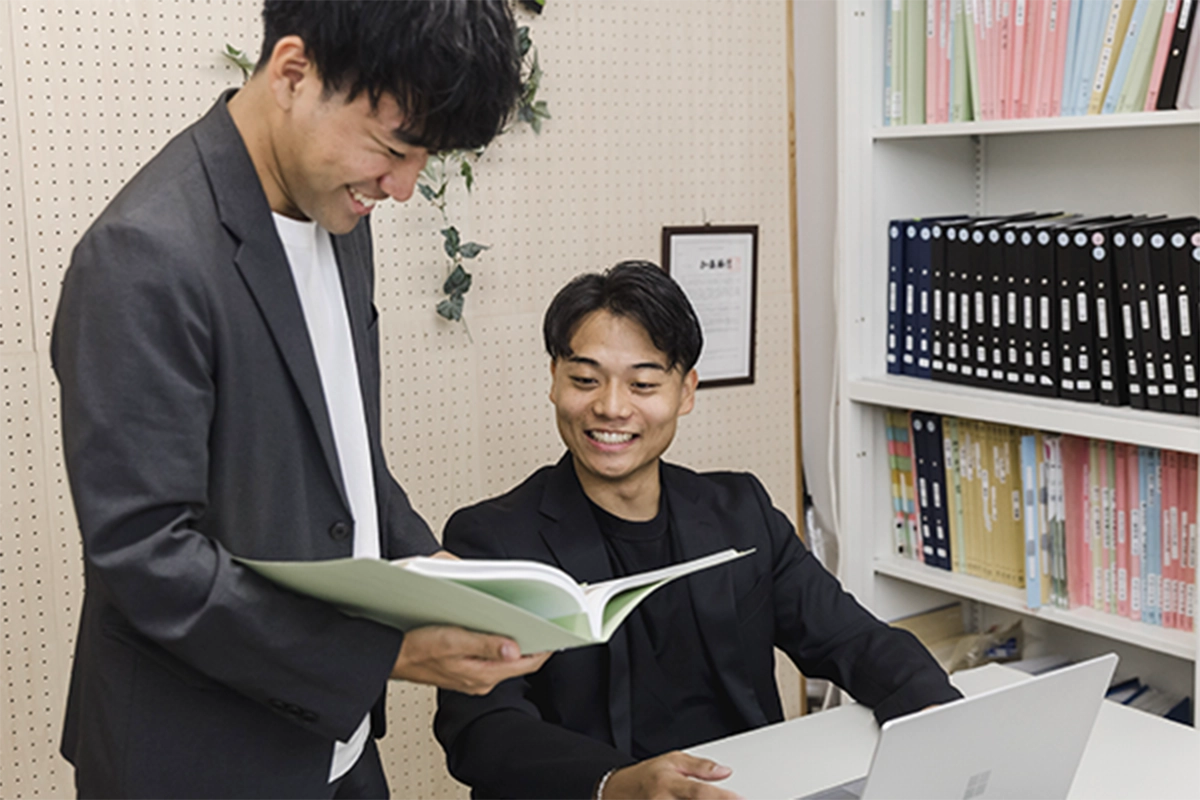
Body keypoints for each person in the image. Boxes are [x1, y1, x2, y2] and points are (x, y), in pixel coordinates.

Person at [50, 2, 549, 798]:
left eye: (425, 160)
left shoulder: (338, 212)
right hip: (199, 761)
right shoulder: (144, 255)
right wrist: (388, 654)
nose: (403, 188)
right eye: (394, 148)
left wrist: (431, 573)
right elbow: (148, 558)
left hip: (335, 749)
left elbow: (340, 452)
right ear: (293, 73)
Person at [434, 261, 963, 800]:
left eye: (643, 384)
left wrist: (940, 718)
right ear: (554, 380)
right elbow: (482, 729)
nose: (611, 407)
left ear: (685, 391)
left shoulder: (741, 511)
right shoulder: (492, 540)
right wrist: (617, 784)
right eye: (585, 380)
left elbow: (850, 638)